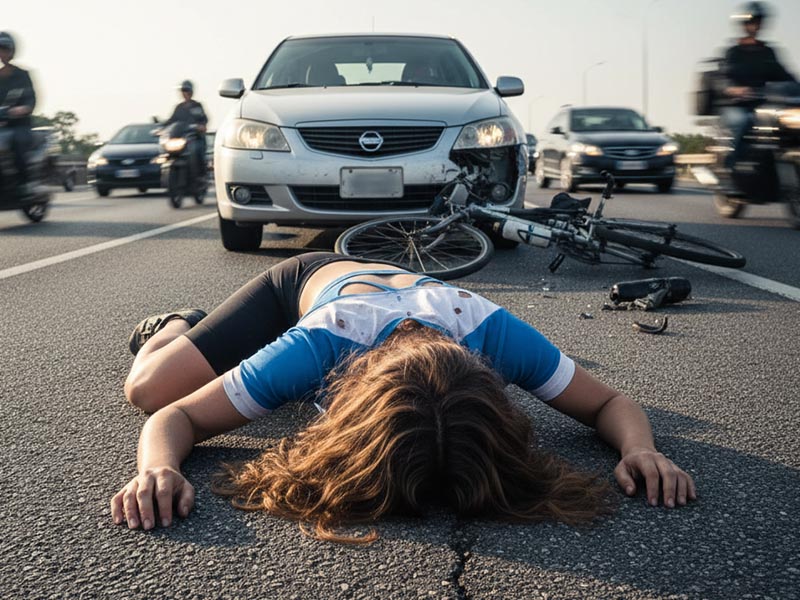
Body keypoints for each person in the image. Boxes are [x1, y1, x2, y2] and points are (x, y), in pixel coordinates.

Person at [110, 252, 697, 544]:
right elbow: (173, 414)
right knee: (147, 387)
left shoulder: (492, 332)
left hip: (415, 296)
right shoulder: (318, 346)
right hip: (305, 283)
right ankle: (178, 323)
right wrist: (156, 468)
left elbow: (610, 403)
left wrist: (639, 449)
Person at [718, 2, 796, 168]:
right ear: (743, 24)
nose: (754, 25)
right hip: (737, 106)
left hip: (764, 105)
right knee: (744, 121)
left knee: (789, 126)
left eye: (757, 21)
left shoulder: (767, 52)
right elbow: (723, 78)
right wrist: (733, 88)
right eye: (750, 22)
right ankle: (732, 164)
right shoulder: (733, 52)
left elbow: (785, 75)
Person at [0, 32, 37, 194]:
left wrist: (22, 109)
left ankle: (25, 182)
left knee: (17, 141)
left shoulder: (22, 75)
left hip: (19, 125)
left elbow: (31, 99)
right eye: (0, 49)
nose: (2, 53)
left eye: (5, 49)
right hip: (1, 126)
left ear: (12, 51)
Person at [161, 80, 208, 176]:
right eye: (183, 91)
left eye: (186, 90)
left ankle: (200, 175)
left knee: (195, 149)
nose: (185, 93)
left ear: (191, 92)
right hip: (181, 138)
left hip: (195, 137)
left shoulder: (197, 106)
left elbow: (204, 119)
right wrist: (161, 126)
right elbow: (172, 120)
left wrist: (201, 126)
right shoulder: (179, 107)